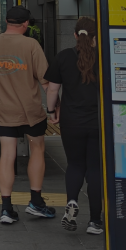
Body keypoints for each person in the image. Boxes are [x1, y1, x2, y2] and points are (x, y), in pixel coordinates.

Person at [0, 5, 54, 224]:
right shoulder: (31, 44)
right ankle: (36, 202)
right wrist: (55, 107)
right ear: (26, 24)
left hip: (3, 110)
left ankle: (6, 209)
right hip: (31, 111)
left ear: (7, 22)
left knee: (7, 154)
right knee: (37, 148)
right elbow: (46, 81)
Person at [45, 18, 104, 236]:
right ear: (95, 37)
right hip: (99, 123)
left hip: (72, 121)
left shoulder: (64, 56)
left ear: (75, 35)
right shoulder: (105, 57)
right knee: (95, 169)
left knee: (75, 165)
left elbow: (52, 90)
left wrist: (52, 112)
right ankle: (95, 221)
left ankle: (71, 201)